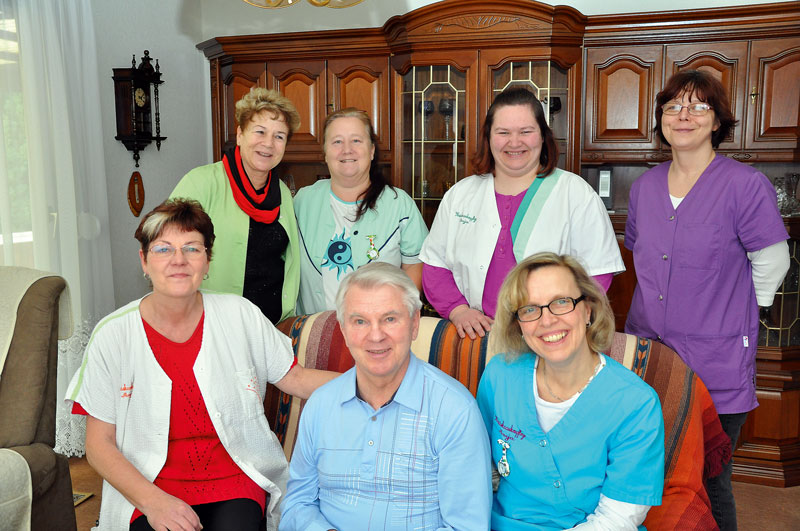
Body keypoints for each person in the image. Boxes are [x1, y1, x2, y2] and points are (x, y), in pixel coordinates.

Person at [65, 199, 336, 531]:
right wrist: (153, 502)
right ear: (144, 261)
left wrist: (367, 380)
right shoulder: (112, 335)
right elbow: (97, 444)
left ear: (207, 261)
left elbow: (294, 377)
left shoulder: (240, 314)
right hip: (150, 483)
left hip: (234, 476)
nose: (178, 260)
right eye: (163, 249)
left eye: (192, 249)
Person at [624, 69, 789, 531]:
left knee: (709, 476)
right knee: (648, 467)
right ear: (660, 119)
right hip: (648, 355)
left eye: (699, 106)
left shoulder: (744, 184)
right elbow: (643, 255)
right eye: (674, 106)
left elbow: (773, 261)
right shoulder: (645, 187)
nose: (684, 116)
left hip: (715, 360)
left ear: (717, 121)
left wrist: (738, 312)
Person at [279, 262, 492, 531]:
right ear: (343, 330)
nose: (376, 335)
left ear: (414, 324)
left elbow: (467, 526)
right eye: (360, 321)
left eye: (390, 319)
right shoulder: (321, 405)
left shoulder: (454, 410)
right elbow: (297, 504)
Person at [477, 252, 664, 530]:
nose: (547, 321)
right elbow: (474, 465)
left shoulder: (636, 403)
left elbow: (617, 519)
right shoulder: (499, 375)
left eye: (561, 302)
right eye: (529, 309)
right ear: (519, 324)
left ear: (588, 310)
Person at [420, 87, 623, 340]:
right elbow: (435, 265)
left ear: (542, 137)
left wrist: (557, 321)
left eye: (526, 132)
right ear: (489, 137)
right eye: (503, 132)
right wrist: (458, 310)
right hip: (476, 336)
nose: (514, 142)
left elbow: (597, 273)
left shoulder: (576, 194)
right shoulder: (460, 195)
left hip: (550, 335)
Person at [171, 88, 301, 324]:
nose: (268, 144)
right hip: (213, 325)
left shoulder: (282, 191)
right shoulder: (202, 182)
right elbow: (166, 249)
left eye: (279, 136)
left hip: (271, 329)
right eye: (260, 131)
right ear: (240, 134)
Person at [294, 108, 428, 314]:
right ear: (325, 153)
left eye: (356, 140)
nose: (347, 150)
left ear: (372, 150)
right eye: (337, 141)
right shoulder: (302, 201)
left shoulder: (399, 204)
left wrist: (398, 311)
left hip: (379, 333)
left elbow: (415, 264)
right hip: (315, 331)